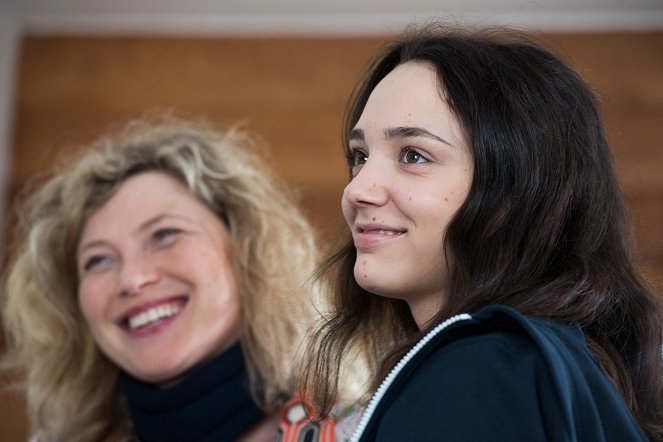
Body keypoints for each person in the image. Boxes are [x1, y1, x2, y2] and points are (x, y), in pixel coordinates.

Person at [302, 25, 663, 441]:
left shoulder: (482, 369)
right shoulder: (533, 361)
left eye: (414, 155)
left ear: (516, 190)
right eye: (360, 156)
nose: (356, 189)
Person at [1, 116, 330, 442]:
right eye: (98, 260)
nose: (132, 279)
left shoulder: (358, 428)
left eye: (164, 235)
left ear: (246, 249)